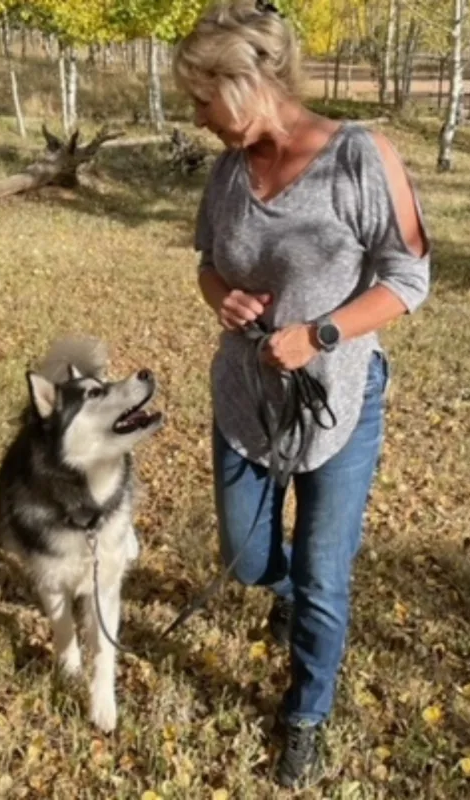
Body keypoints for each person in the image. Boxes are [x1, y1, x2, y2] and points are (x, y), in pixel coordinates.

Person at [171, 0, 431, 788]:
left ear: (246, 81)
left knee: (325, 573)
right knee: (248, 558)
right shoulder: (227, 172)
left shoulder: (361, 155)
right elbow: (207, 261)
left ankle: (305, 715)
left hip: (340, 396)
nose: (197, 115)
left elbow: (410, 278)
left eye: (201, 96)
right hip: (246, 396)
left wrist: (319, 335)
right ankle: (275, 592)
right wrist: (222, 295)